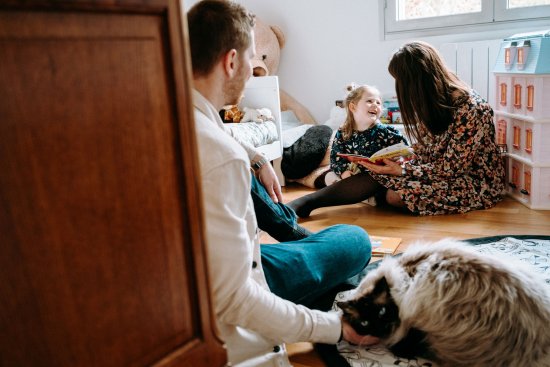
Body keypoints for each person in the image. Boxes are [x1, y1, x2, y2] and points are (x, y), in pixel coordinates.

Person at [187, 1, 377, 366]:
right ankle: (312, 268)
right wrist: (334, 328)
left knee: (322, 247)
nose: (252, 69)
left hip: (202, 272)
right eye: (249, 59)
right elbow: (236, 299)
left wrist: (257, 159)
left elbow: (218, 134)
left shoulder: (167, 113)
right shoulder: (220, 155)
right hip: (231, 290)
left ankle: (299, 240)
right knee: (354, 240)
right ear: (230, 62)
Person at [288, 41, 505, 218]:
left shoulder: (472, 109)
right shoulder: (434, 102)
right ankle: (306, 203)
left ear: (418, 81)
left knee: (395, 195)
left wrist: (401, 170)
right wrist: (399, 159)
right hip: (437, 170)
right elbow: (425, 151)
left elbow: (451, 169)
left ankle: (359, 195)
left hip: (472, 181)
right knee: (379, 174)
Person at [329, 83, 408, 181]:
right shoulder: (343, 132)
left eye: (378, 102)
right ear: (353, 107)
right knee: (330, 176)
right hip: (353, 175)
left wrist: (398, 162)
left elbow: (406, 153)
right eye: (369, 101)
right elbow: (335, 158)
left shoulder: (387, 132)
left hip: (381, 177)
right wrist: (344, 172)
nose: (375, 104)